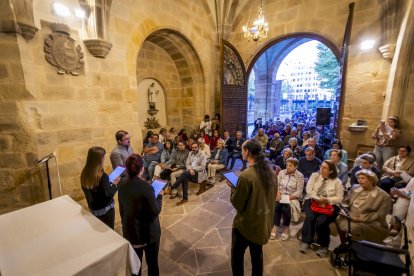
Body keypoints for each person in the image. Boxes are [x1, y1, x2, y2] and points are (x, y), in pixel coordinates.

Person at [229, 140, 276, 276]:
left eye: (242, 149)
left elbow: (237, 203)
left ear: (247, 152)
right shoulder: (271, 173)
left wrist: (233, 187)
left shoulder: (246, 175)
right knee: (257, 257)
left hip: (246, 225)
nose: (242, 152)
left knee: (237, 256)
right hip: (262, 223)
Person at [118, 154, 163, 276]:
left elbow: (122, 207)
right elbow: (155, 211)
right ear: (142, 169)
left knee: (135, 266)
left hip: (131, 231)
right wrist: (159, 196)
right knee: (152, 264)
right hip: (148, 233)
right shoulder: (147, 186)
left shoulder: (121, 183)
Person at [300, 160, 344, 257]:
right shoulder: (315, 176)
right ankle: (306, 241)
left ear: (331, 171)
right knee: (310, 217)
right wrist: (318, 199)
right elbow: (309, 190)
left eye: (324, 168)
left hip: (329, 206)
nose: (321, 168)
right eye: (321, 166)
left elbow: (339, 198)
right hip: (312, 201)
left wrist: (326, 200)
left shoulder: (337, 182)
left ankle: (324, 245)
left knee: (322, 221)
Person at [336, 169, 391, 245]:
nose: (360, 180)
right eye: (359, 178)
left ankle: (355, 248)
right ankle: (344, 244)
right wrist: (344, 210)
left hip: (371, 222)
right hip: (350, 216)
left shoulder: (384, 196)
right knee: (338, 219)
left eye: (363, 178)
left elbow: (380, 215)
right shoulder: (355, 188)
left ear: (371, 180)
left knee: (353, 228)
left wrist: (360, 219)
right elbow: (345, 201)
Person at [81, 147, 120, 229]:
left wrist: (107, 184)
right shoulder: (102, 176)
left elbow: (97, 190)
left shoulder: (84, 173)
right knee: (109, 231)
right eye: (104, 157)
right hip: (106, 210)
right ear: (100, 159)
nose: (104, 159)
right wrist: (115, 184)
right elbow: (108, 195)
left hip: (94, 209)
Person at [271, 158, 304, 241]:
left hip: (292, 197)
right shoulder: (282, 172)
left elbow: (299, 192)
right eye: (287, 165)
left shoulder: (300, 176)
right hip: (280, 195)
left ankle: (286, 228)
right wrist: (278, 193)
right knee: (277, 205)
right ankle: (275, 226)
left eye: (290, 166)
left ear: (295, 167)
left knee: (286, 207)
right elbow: (276, 185)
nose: (288, 167)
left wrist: (287, 197)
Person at [384, 176, 414, 244]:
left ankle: (397, 229)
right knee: (402, 201)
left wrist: (403, 194)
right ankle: (396, 228)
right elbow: (409, 190)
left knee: (404, 202)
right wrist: (401, 191)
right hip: (409, 196)